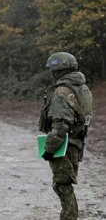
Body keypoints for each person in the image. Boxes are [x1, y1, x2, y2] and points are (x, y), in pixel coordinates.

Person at [39, 52, 93, 220]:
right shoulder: (82, 88)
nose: (51, 73)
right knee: (65, 184)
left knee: (63, 186)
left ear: (59, 70)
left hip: (65, 145)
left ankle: (69, 217)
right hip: (76, 142)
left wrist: (49, 149)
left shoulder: (62, 92)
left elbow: (61, 126)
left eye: (53, 70)